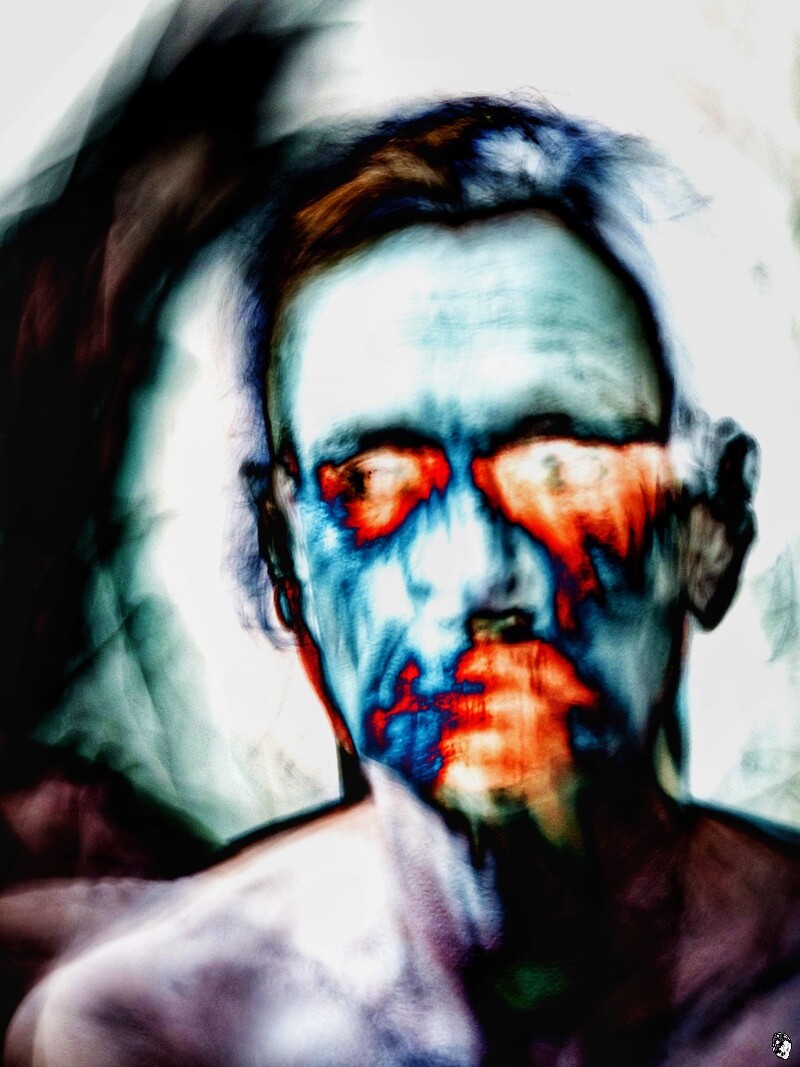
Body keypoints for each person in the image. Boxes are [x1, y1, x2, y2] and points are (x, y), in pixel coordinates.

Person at [4, 100, 800, 1067]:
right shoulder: (159, 1034)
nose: (478, 575)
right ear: (284, 560)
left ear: (710, 530)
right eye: (374, 485)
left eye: (559, 472)